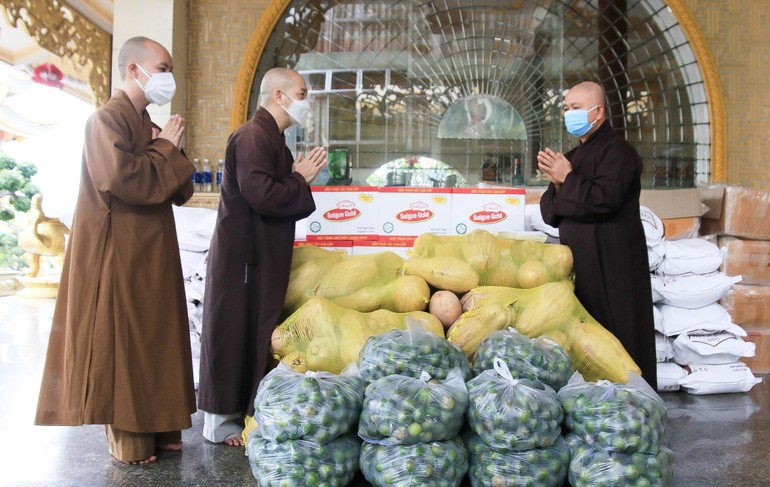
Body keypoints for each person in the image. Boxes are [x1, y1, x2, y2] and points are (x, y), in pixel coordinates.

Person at [34, 36, 197, 465]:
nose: (169, 78)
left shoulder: (147, 122)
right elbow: (122, 179)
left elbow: (181, 188)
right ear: (134, 69)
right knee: (127, 339)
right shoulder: (105, 120)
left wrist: (168, 149)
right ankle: (130, 440)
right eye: (162, 68)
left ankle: (163, 427)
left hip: (153, 247)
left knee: (157, 336)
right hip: (119, 248)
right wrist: (165, 150)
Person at [197, 67, 326, 446]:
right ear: (279, 97)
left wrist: (297, 178)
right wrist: (299, 178)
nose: (306, 101)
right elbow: (262, 194)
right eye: (301, 93)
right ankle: (219, 425)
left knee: (252, 331)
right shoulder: (253, 135)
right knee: (232, 332)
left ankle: (241, 414)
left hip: (257, 258)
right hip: (243, 259)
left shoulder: (274, 139)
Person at [537, 81, 657, 387]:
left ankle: (632, 398)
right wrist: (562, 182)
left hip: (613, 264)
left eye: (575, 108)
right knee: (586, 339)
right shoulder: (572, 158)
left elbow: (605, 199)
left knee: (618, 332)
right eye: (565, 109)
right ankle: (590, 400)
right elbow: (550, 212)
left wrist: (568, 179)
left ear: (598, 111)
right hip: (580, 265)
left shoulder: (620, 152)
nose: (568, 114)